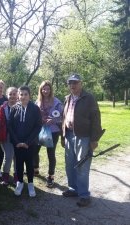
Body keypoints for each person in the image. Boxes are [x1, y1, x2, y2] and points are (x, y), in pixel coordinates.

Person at [61, 74, 103, 207]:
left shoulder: (88, 98)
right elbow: (64, 117)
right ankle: (73, 189)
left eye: (75, 83)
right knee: (70, 164)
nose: (72, 86)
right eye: (70, 83)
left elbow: (96, 118)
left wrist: (94, 139)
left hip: (83, 137)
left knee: (82, 166)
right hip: (69, 135)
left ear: (81, 83)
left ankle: (84, 195)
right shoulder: (67, 98)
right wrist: (63, 136)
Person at [8, 86, 42, 197]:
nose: (23, 97)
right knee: (18, 163)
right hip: (17, 143)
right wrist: (16, 141)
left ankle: (31, 183)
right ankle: (20, 182)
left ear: (29, 95)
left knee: (29, 163)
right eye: (21, 94)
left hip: (30, 143)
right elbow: (10, 126)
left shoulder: (35, 108)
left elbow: (38, 126)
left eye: (25, 94)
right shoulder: (14, 108)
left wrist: (28, 142)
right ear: (18, 95)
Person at [33, 80, 63, 187]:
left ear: (51, 90)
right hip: (40, 130)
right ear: (40, 90)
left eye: (48, 89)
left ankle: (51, 176)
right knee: (35, 151)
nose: (46, 91)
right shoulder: (37, 102)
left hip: (53, 131)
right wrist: (39, 119)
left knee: (51, 154)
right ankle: (35, 169)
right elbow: (34, 117)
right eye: (43, 89)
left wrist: (54, 120)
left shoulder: (57, 102)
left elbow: (62, 116)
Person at [0, 87, 18, 185]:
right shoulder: (3, 108)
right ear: (7, 95)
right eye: (10, 94)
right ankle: (5, 176)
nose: (12, 96)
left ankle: (17, 177)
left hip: (18, 136)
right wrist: (0, 137)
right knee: (8, 156)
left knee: (16, 157)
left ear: (17, 95)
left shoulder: (21, 107)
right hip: (6, 136)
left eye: (14, 94)